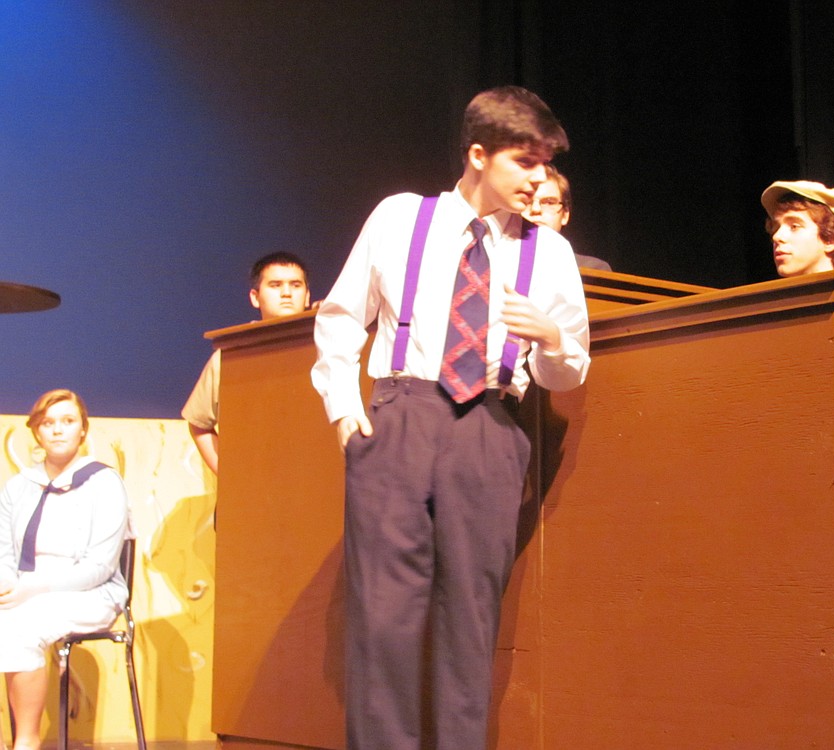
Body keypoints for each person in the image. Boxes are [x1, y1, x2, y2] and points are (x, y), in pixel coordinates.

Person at [311, 86, 590, 749]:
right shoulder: (399, 219)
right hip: (401, 417)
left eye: (546, 165)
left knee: (470, 616)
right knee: (383, 615)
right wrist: (346, 415)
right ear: (478, 154)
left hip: (490, 427)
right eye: (525, 162)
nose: (538, 179)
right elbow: (342, 318)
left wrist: (550, 337)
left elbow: (570, 369)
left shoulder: (546, 251)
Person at [0, 390, 129, 750]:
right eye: (48, 423)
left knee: (22, 625)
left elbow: (100, 566)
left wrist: (33, 588)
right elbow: (5, 554)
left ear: (83, 431)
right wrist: (8, 583)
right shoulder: (18, 487)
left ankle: (26, 742)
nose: (57, 430)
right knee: (11, 617)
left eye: (68, 422)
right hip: (27, 590)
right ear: (37, 432)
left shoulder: (104, 483)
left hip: (91, 593)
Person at [182, 251, 311, 474]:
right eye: (276, 285)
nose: (287, 293)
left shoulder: (329, 348)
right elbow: (199, 423)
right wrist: (229, 477)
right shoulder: (232, 355)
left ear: (307, 295)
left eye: (296, 285)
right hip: (253, 487)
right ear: (255, 296)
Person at [760, 180, 834, 277]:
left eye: (794, 227)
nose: (776, 236)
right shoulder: (772, 294)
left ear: (830, 240)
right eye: (776, 228)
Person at [522, 163, 613, 270]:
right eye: (527, 202)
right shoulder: (500, 261)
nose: (536, 209)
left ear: (565, 215)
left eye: (549, 202)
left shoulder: (594, 269)